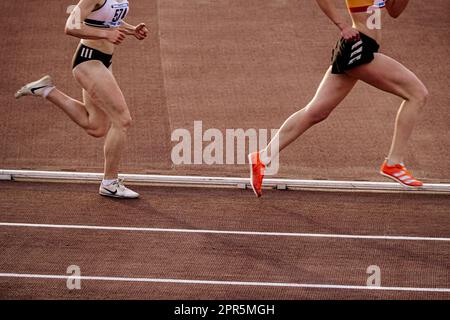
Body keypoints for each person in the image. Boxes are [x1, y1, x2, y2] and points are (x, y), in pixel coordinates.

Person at [249, 0, 428, 197]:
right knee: (417, 94)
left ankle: (262, 157)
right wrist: (342, 25)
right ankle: (394, 163)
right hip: (359, 49)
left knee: (316, 112)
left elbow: (394, 12)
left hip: (359, 48)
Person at [15, 0, 149, 199]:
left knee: (96, 126)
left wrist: (131, 29)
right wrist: (106, 34)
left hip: (103, 61)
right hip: (88, 61)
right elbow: (71, 26)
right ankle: (109, 182)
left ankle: (46, 90)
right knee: (122, 120)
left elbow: (106, 20)